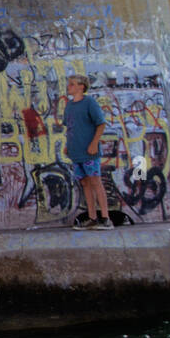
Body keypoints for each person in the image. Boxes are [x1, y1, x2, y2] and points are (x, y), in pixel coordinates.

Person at [64, 74, 112, 229]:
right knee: (84, 183)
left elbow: (101, 124)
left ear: (81, 86)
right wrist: (67, 145)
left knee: (95, 181)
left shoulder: (89, 102)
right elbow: (70, 127)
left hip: (89, 151)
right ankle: (92, 217)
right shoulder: (69, 105)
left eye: (72, 84)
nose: (69, 87)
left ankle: (105, 218)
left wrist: (94, 143)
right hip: (75, 150)